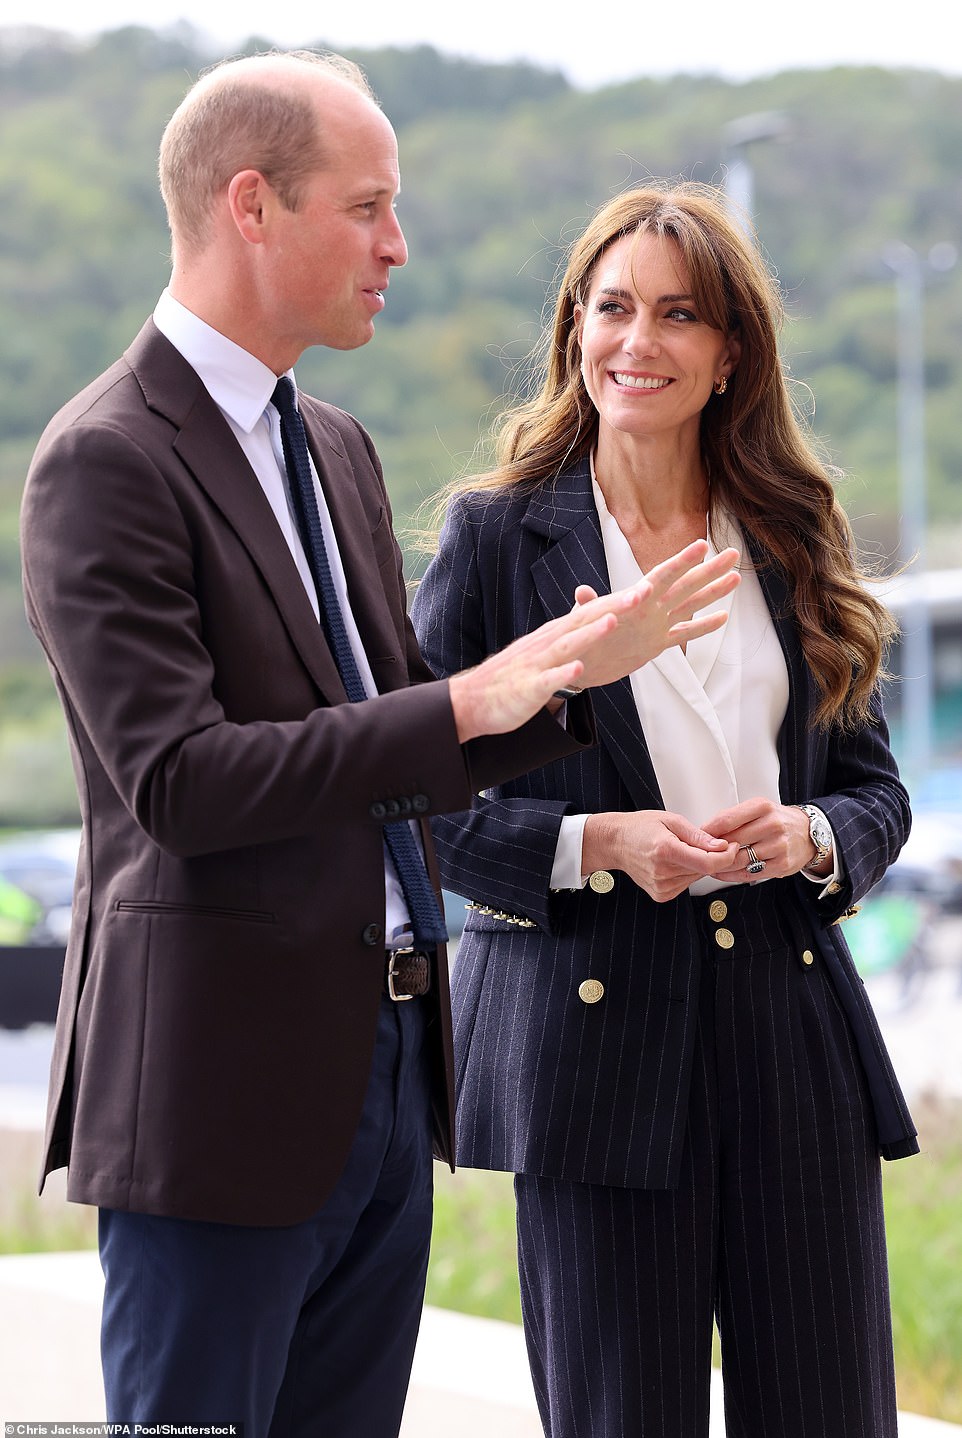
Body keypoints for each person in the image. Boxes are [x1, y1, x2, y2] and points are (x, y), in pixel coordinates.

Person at [19, 58, 741, 1438]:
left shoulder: (335, 447)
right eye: (367, 207)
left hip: (387, 1074)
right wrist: (473, 698)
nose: (396, 245)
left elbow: (396, 743)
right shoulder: (103, 456)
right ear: (251, 205)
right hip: (218, 1103)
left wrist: (562, 681)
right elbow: (178, 780)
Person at [411, 182, 917, 1438]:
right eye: (612, 307)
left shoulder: (791, 533)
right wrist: (593, 846)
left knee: (825, 1416)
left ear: (728, 349)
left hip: (787, 1030)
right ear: (574, 330)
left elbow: (873, 792)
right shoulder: (491, 538)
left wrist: (810, 838)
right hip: (592, 1053)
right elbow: (405, 798)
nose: (637, 342)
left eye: (677, 315)